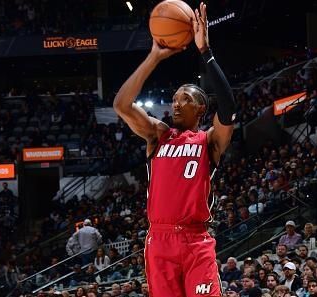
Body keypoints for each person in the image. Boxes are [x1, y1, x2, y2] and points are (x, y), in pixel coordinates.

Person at [113, 2, 235, 297]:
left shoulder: (208, 142)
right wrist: (154, 57)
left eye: (185, 99)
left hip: (195, 240)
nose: (176, 104)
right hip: (159, 240)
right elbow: (121, 105)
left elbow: (229, 109)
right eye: (174, 99)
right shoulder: (158, 135)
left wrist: (205, 52)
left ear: (201, 108)